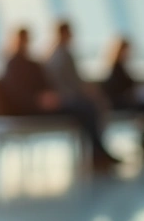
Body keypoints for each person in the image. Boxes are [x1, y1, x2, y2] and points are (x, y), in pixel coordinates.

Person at [44, 21, 120, 170]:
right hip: (65, 99)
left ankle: (97, 149)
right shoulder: (62, 54)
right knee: (91, 108)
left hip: (66, 97)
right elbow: (73, 82)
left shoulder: (54, 53)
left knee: (92, 107)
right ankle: (98, 150)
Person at [102, 37, 144, 154]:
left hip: (128, 102)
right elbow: (116, 90)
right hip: (121, 104)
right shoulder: (116, 69)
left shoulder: (122, 68)